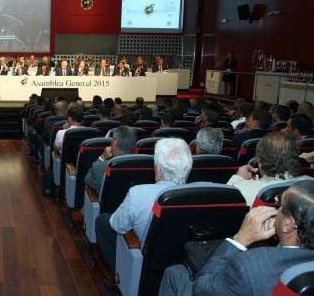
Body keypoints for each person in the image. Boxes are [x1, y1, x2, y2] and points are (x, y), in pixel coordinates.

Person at [159, 180, 314, 296]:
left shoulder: (249, 266)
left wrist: (239, 239)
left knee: (174, 272)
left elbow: (201, 289)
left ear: (288, 224)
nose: (276, 210)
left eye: (280, 206)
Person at [95, 138, 192, 270]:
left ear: (158, 170)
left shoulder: (138, 193)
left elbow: (116, 225)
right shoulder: (200, 196)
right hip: (178, 261)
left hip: (146, 260)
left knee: (102, 220)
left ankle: (122, 273)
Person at [227, 132, 307, 205]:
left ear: (260, 161)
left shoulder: (242, 188)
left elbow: (224, 200)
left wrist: (238, 178)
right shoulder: (310, 182)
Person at [85, 126, 137, 192]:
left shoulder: (101, 167)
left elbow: (87, 179)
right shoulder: (146, 165)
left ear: (115, 141)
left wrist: (101, 158)